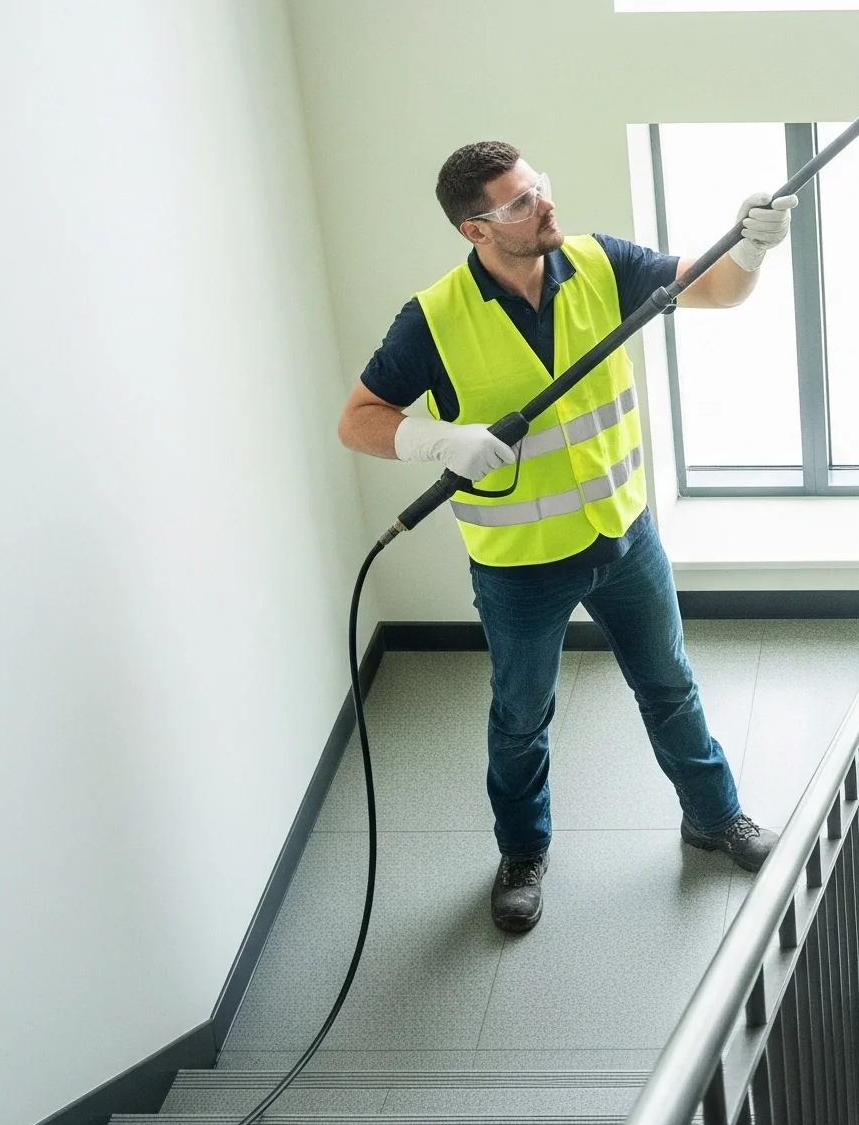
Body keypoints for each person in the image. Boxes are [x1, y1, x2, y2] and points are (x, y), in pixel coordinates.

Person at [338, 140, 791, 933]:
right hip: (520, 568)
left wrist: (749, 248)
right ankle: (521, 853)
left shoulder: (599, 264)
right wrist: (437, 439)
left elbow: (716, 289)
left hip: (624, 536)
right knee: (521, 718)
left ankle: (715, 817)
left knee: (670, 686)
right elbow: (359, 420)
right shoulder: (435, 319)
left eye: (538, 187)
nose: (543, 205)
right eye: (518, 203)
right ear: (476, 231)